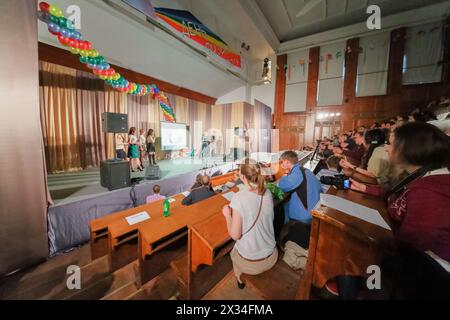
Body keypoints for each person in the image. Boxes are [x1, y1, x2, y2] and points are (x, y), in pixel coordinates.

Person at [349, 122, 450, 262]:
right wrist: (365, 189)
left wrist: (369, 236)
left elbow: (410, 245)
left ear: (410, 148)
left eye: (390, 143)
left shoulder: (429, 191)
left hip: (429, 269)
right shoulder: (425, 176)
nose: (386, 148)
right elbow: (399, 195)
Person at [222, 159, 277, 289]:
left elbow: (235, 235)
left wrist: (227, 215)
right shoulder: (267, 192)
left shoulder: (239, 198)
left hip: (253, 262)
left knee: (233, 250)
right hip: (272, 254)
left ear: (242, 176)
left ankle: (239, 279)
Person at [278, 151, 323, 224]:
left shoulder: (296, 173)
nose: (281, 165)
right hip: (314, 209)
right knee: (286, 204)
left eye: (281, 162)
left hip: (305, 215)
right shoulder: (305, 170)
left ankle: (287, 228)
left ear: (286, 162)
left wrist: (285, 172)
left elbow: (282, 186)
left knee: (283, 206)